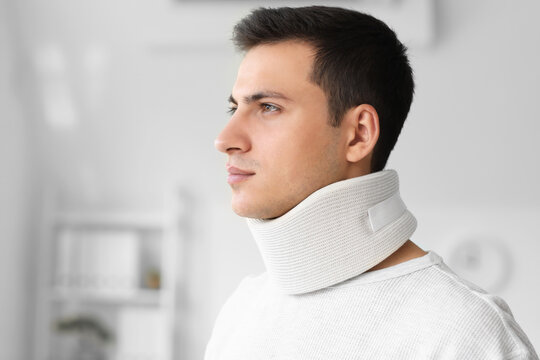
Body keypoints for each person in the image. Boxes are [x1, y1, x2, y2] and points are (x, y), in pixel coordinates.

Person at [207, 5, 538, 359]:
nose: (225, 138)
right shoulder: (243, 308)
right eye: (234, 108)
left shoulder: (462, 333)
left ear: (358, 135)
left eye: (268, 107)